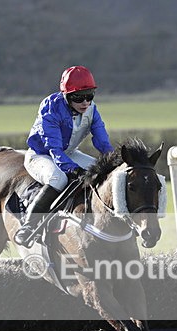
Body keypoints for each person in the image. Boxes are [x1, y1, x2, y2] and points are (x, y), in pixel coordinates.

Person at [14, 65, 115, 245]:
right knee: (58, 179)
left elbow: (102, 141)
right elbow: (54, 149)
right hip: (41, 155)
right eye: (78, 97)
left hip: (69, 153)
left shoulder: (92, 110)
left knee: (104, 174)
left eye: (89, 95)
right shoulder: (51, 108)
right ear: (66, 96)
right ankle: (29, 226)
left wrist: (113, 160)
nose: (85, 102)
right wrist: (71, 169)